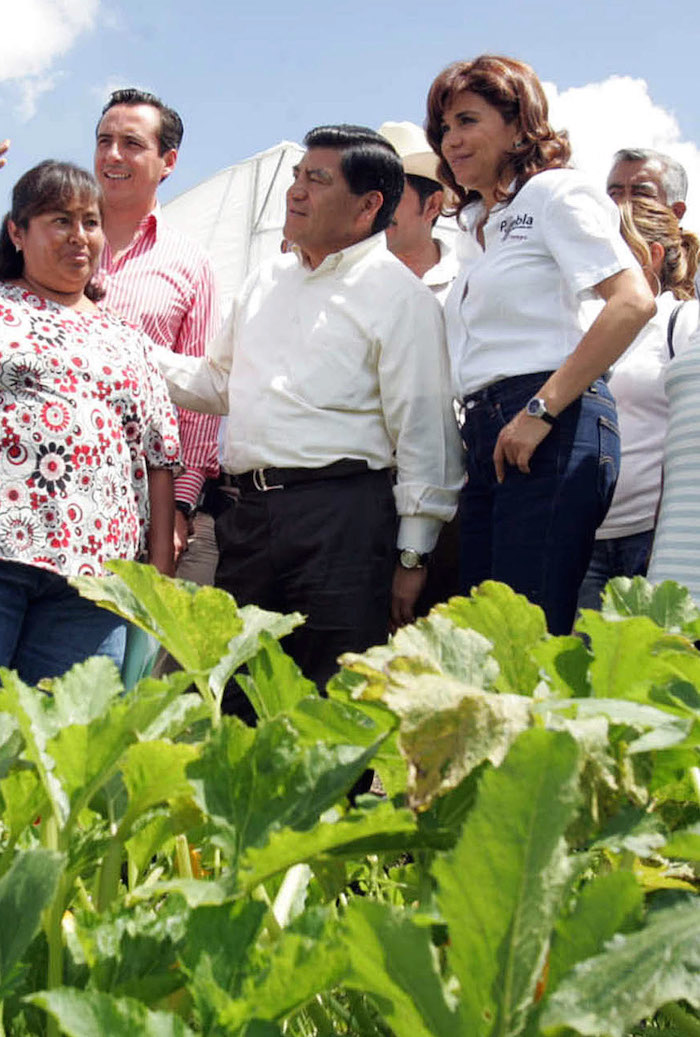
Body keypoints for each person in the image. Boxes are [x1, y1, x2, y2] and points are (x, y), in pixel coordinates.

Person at [156, 124, 463, 689]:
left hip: (342, 519)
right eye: (297, 176)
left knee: (328, 698)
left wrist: (412, 557)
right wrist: (125, 350)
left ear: (369, 204)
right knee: (242, 692)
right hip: (247, 517)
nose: (295, 191)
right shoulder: (266, 278)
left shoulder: (401, 297)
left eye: (316, 180)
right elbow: (218, 383)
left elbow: (425, 435)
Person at [425, 55, 656, 634]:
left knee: (526, 633)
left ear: (518, 123)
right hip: (487, 430)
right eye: (445, 129)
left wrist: (540, 409)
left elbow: (632, 301)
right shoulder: (478, 226)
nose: (452, 140)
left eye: (468, 120)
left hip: (549, 418)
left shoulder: (555, 193)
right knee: (487, 633)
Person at [0, 160, 180, 683]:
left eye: (91, 221)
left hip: (93, 581)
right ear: (17, 232)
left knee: (67, 746)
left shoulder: (125, 337)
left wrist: (157, 584)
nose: (79, 236)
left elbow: (159, 455)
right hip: (5, 557)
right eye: (60, 220)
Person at [94, 89, 222, 587]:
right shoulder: (53, 242)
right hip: (43, 482)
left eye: (131, 143)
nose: (112, 156)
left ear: (168, 162)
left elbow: (197, 398)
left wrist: (179, 505)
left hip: (143, 494)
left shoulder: (191, 264)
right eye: (104, 140)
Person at [578, 198, 699, 610]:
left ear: (651, 256)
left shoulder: (682, 322)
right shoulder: (586, 330)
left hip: (651, 539)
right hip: (587, 541)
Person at [379, 121, 460, 303]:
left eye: (393, 194)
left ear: (432, 205)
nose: (378, 207)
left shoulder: (468, 282)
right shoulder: (347, 280)